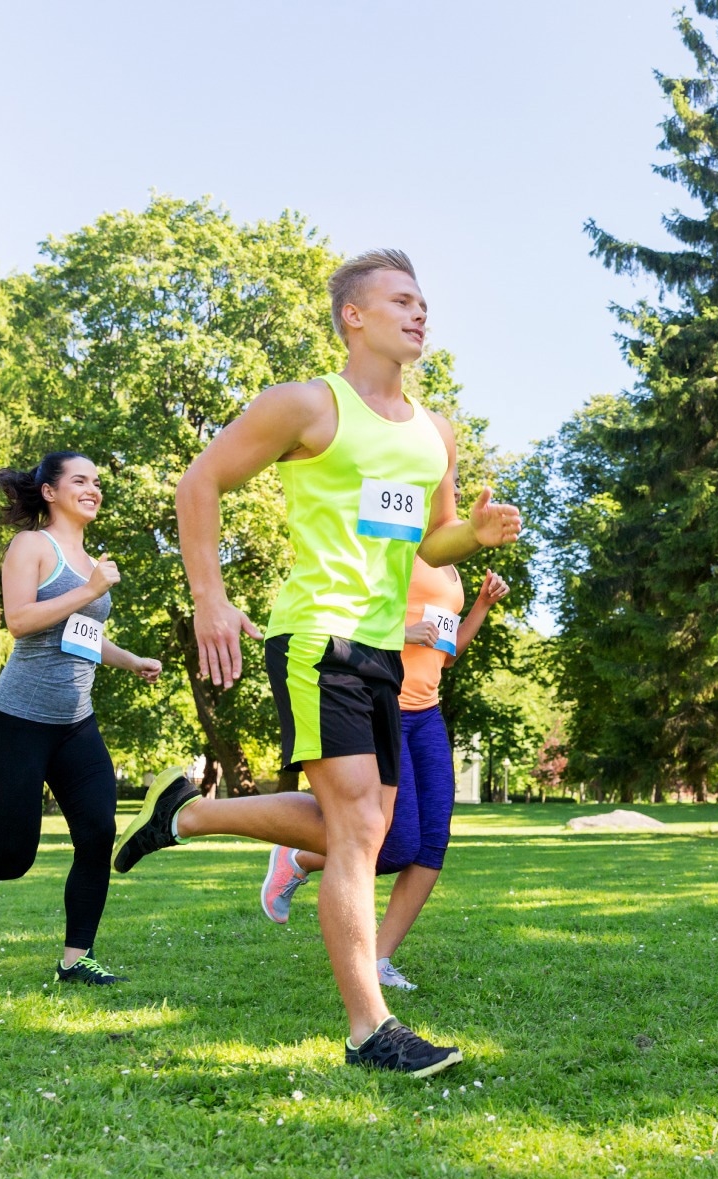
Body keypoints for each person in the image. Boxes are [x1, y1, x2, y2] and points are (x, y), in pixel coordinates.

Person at [111, 249, 521, 1076]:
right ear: (354, 316)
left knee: (360, 834)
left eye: (424, 303)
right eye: (401, 300)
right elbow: (201, 483)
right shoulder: (309, 406)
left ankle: (187, 816)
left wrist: (469, 538)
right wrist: (209, 598)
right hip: (314, 637)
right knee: (363, 829)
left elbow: (428, 540)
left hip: (382, 651)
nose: (419, 313)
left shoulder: (435, 432)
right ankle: (371, 1029)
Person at [0, 452, 162, 984]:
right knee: (14, 854)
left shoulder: (89, 559)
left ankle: (75, 959)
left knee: (97, 832)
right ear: (49, 492)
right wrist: (90, 591)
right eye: (80, 481)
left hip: (75, 722)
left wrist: (130, 660)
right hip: (17, 720)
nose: (93, 489)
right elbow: (19, 620)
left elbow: (81, 635)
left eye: (97, 483)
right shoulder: (31, 547)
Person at [261, 566, 510, 993]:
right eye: (445, 492)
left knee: (432, 845)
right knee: (395, 844)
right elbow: (344, 618)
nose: (449, 497)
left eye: (452, 493)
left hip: (427, 713)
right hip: (380, 704)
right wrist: (404, 633)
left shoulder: (452, 575)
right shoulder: (394, 548)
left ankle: (378, 959)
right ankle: (299, 857)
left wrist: (482, 606)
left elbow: (445, 654)